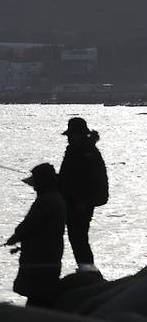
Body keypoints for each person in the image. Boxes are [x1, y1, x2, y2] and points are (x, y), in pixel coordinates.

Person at [6, 163, 66, 308]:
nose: (34, 187)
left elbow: (29, 225)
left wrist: (14, 238)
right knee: (40, 297)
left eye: (36, 183)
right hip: (50, 256)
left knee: (37, 297)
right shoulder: (55, 198)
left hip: (40, 259)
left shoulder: (46, 201)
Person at [58, 117, 108, 273]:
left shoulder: (83, 152)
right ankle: (86, 269)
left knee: (78, 236)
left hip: (79, 203)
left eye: (71, 135)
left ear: (78, 134)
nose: (68, 138)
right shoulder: (83, 149)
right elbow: (69, 177)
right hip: (77, 201)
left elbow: (84, 179)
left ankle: (88, 270)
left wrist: (81, 201)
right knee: (78, 236)